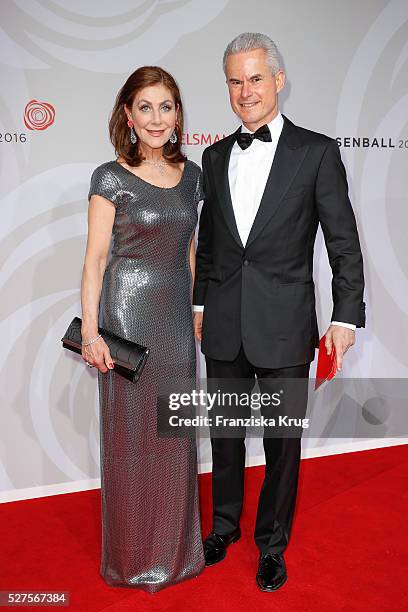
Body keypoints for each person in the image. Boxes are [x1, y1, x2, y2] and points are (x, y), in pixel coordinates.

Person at [193, 33, 365, 592]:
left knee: (281, 443)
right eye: (234, 81)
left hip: (287, 325)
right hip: (221, 322)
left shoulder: (316, 152)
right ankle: (222, 526)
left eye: (255, 79)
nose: (245, 92)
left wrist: (345, 317)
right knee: (224, 434)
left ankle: (272, 545)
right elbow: (213, 245)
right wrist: (199, 303)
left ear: (279, 80)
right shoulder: (214, 156)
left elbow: (343, 242)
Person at [80, 66, 205, 592]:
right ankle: (132, 559)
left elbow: (192, 251)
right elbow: (95, 260)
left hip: (176, 319)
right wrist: (92, 333)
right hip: (127, 319)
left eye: (167, 106)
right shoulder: (110, 176)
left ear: (178, 115)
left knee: (174, 436)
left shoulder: (194, 175)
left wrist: (198, 310)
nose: (157, 118)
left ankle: (177, 554)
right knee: (131, 440)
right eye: (146, 107)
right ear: (128, 116)